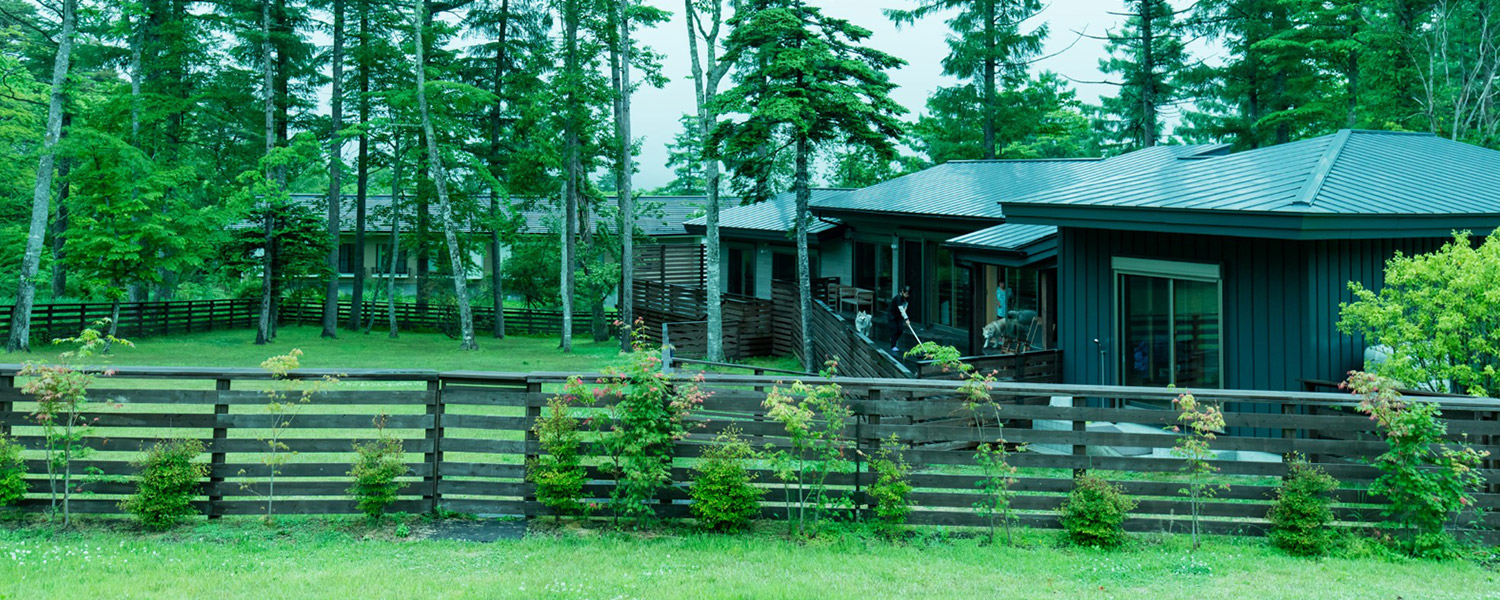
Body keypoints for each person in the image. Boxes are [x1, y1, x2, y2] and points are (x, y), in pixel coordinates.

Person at [887, 285, 911, 352]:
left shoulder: (906, 297)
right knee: (894, 330)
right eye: (906, 294)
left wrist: (904, 314)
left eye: (908, 295)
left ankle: (893, 339)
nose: (907, 296)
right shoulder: (898, 298)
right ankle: (893, 346)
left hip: (899, 315)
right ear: (903, 291)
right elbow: (901, 309)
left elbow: (905, 306)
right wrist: (906, 319)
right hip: (892, 315)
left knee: (900, 330)